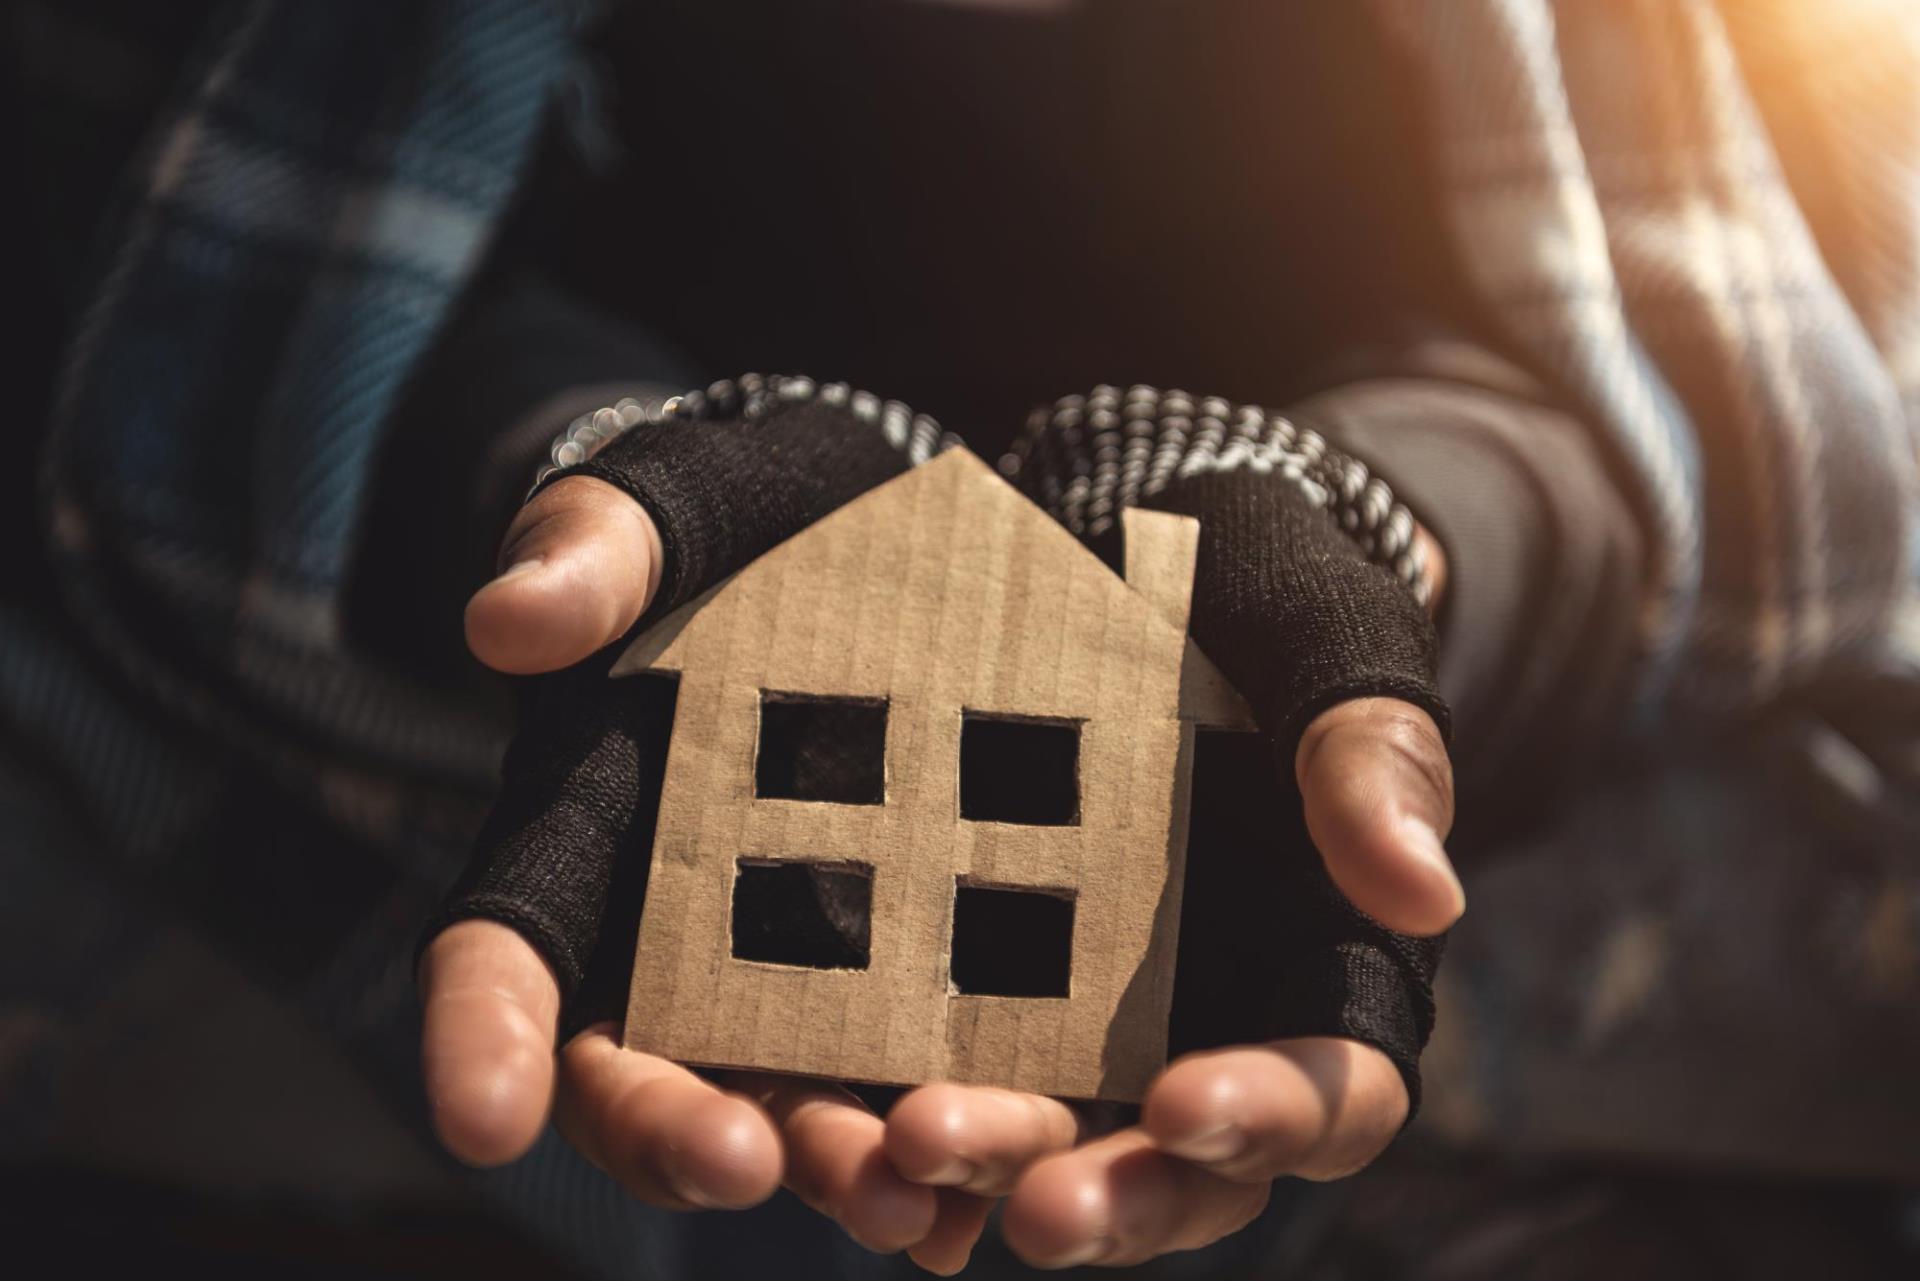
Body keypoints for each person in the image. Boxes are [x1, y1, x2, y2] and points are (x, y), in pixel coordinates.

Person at [6, 1, 1916, 1276]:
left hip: (1341, 789)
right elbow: (271, 295)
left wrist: (1367, 542)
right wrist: (577, 471)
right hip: (421, 745)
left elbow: (1664, 418)